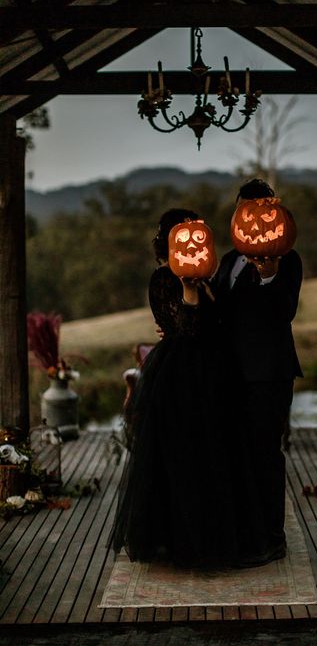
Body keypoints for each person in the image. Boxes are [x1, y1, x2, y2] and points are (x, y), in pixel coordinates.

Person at [110, 208, 268, 569]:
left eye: (202, 235)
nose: (196, 244)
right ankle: (186, 543)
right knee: (187, 457)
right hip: (180, 378)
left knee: (219, 454)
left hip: (215, 374)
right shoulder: (164, 280)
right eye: (186, 237)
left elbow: (222, 326)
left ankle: (225, 539)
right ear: (169, 243)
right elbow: (190, 328)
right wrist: (189, 290)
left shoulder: (209, 280)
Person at [212, 179, 303, 564]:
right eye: (246, 213)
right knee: (235, 455)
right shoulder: (228, 261)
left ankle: (271, 536)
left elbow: (283, 314)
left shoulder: (287, 260)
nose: (255, 223)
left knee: (266, 454)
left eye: (263, 213)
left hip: (267, 374)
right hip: (228, 375)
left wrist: (268, 277)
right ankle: (242, 532)